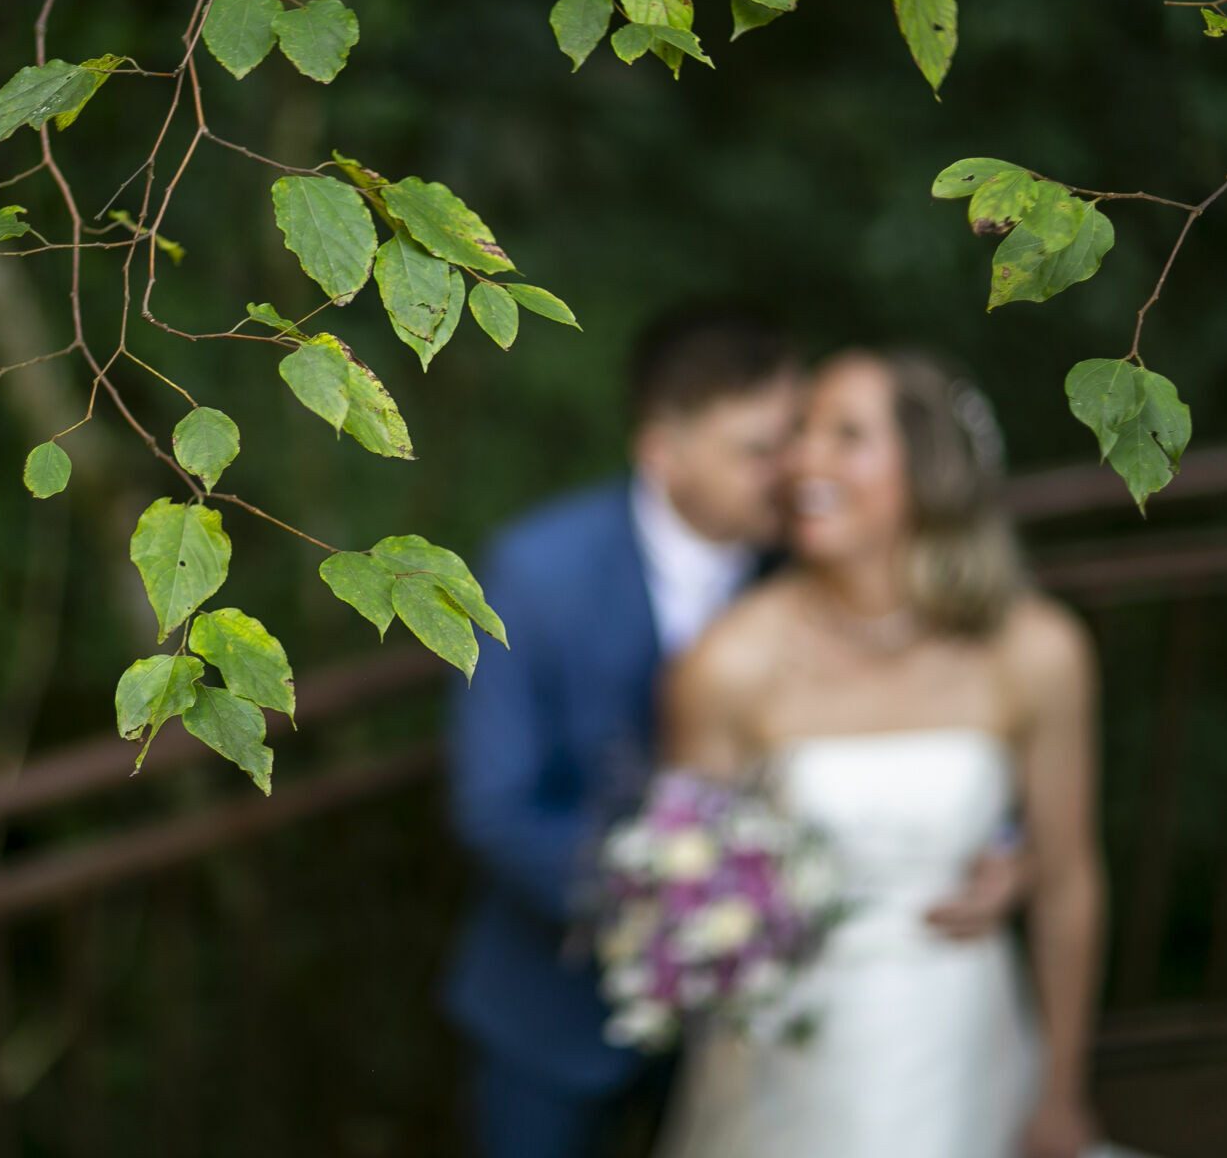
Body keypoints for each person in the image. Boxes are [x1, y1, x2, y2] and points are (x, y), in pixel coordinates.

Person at [443, 314, 1024, 1158]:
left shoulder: (823, 554)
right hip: (552, 1008)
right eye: (759, 449)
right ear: (663, 452)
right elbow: (495, 807)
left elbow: (941, 708)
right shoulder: (535, 572)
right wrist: (676, 912)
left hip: (772, 1029)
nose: (795, 468)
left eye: (799, 434)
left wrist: (1007, 841)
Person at [658, 350, 1104, 1158]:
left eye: (846, 435)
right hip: (786, 1057)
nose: (802, 460)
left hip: (962, 1031)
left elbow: (1070, 883)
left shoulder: (1037, 652)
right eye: (799, 433)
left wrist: (1061, 1094)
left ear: (931, 468)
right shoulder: (728, 663)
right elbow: (686, 874)